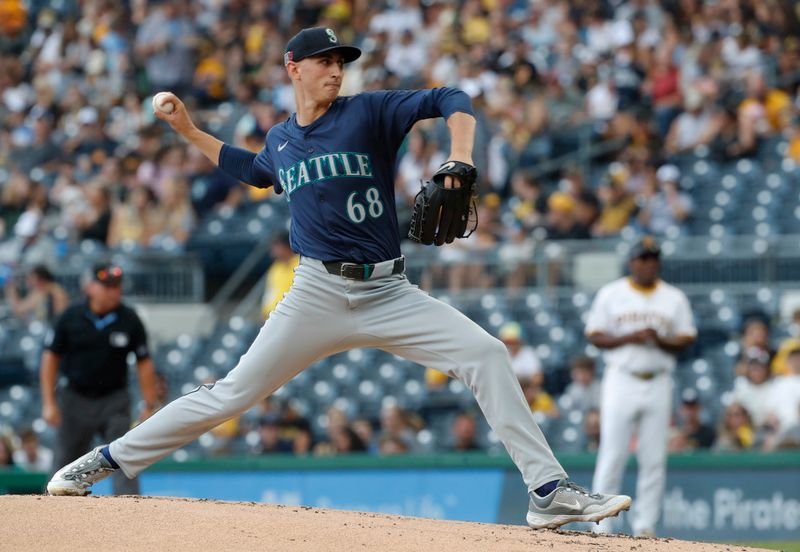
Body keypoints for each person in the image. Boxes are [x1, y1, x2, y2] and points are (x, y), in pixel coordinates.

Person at [47, 27, 630, 530]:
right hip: (316, 293)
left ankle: (549, 493)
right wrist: (190, 131)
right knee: (230, 394)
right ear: (293, 69)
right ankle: (104, 460)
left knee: (487, 353)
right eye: (325, 62)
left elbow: (453, 96)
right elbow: (252, 170)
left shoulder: (368, 112)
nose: (336, 70)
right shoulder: (280, 139)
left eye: (341, 62)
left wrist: (461, 157)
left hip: (388, 291)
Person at [586, 236, 696, 537]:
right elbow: (595, 335)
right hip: (621, 378)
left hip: (659, 380)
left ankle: (645, 525)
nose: (648, 263)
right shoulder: (612, 293)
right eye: (643, 258)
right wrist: (630, 337)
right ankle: (602, 524)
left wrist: (658, 338)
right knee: (612, 454)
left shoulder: (673, 297)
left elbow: (687, 338)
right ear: (632, 261)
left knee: (654, 457)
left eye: (653, 258)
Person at [41, 264, 158, 495]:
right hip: (75, 399)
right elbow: (50, 357)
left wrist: (149, 404)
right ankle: (51, 514)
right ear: (90, 287)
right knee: (64, 460)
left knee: (124, 455)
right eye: (106, 286)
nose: (113, 292)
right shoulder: (70, 316)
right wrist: (48, 402)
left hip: (114, 400)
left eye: (116, 287)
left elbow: (144, 362)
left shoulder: (129, 319)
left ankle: (130, 510)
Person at [4, 264, 69, 325]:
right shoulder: (39, 292)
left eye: (32, 279)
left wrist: (12, 291)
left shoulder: (56, 292)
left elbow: (60, 316)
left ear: (41, 279)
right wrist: (12, 291)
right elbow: (20, 309)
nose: (29, 282)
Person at [261, 232, 300, 319]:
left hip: (293, 318)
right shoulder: (275, 268)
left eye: (276, 245)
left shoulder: (301, 264)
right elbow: (270, 292)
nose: (273, 250)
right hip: (272, 318)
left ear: (286, 246)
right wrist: (264, 312)